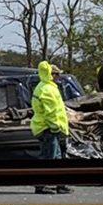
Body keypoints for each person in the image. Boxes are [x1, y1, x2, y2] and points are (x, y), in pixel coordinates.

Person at [32, 60, 72, 194]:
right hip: (48, 128)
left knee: (56, 157)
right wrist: (55, 127)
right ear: (51, 74)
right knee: (48, 157)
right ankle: (41, 185)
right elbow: (51, 112)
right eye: (57, 74)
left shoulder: (47, 87)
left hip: (49, 128)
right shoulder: (47, 89)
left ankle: (60, 185)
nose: (58, 77)